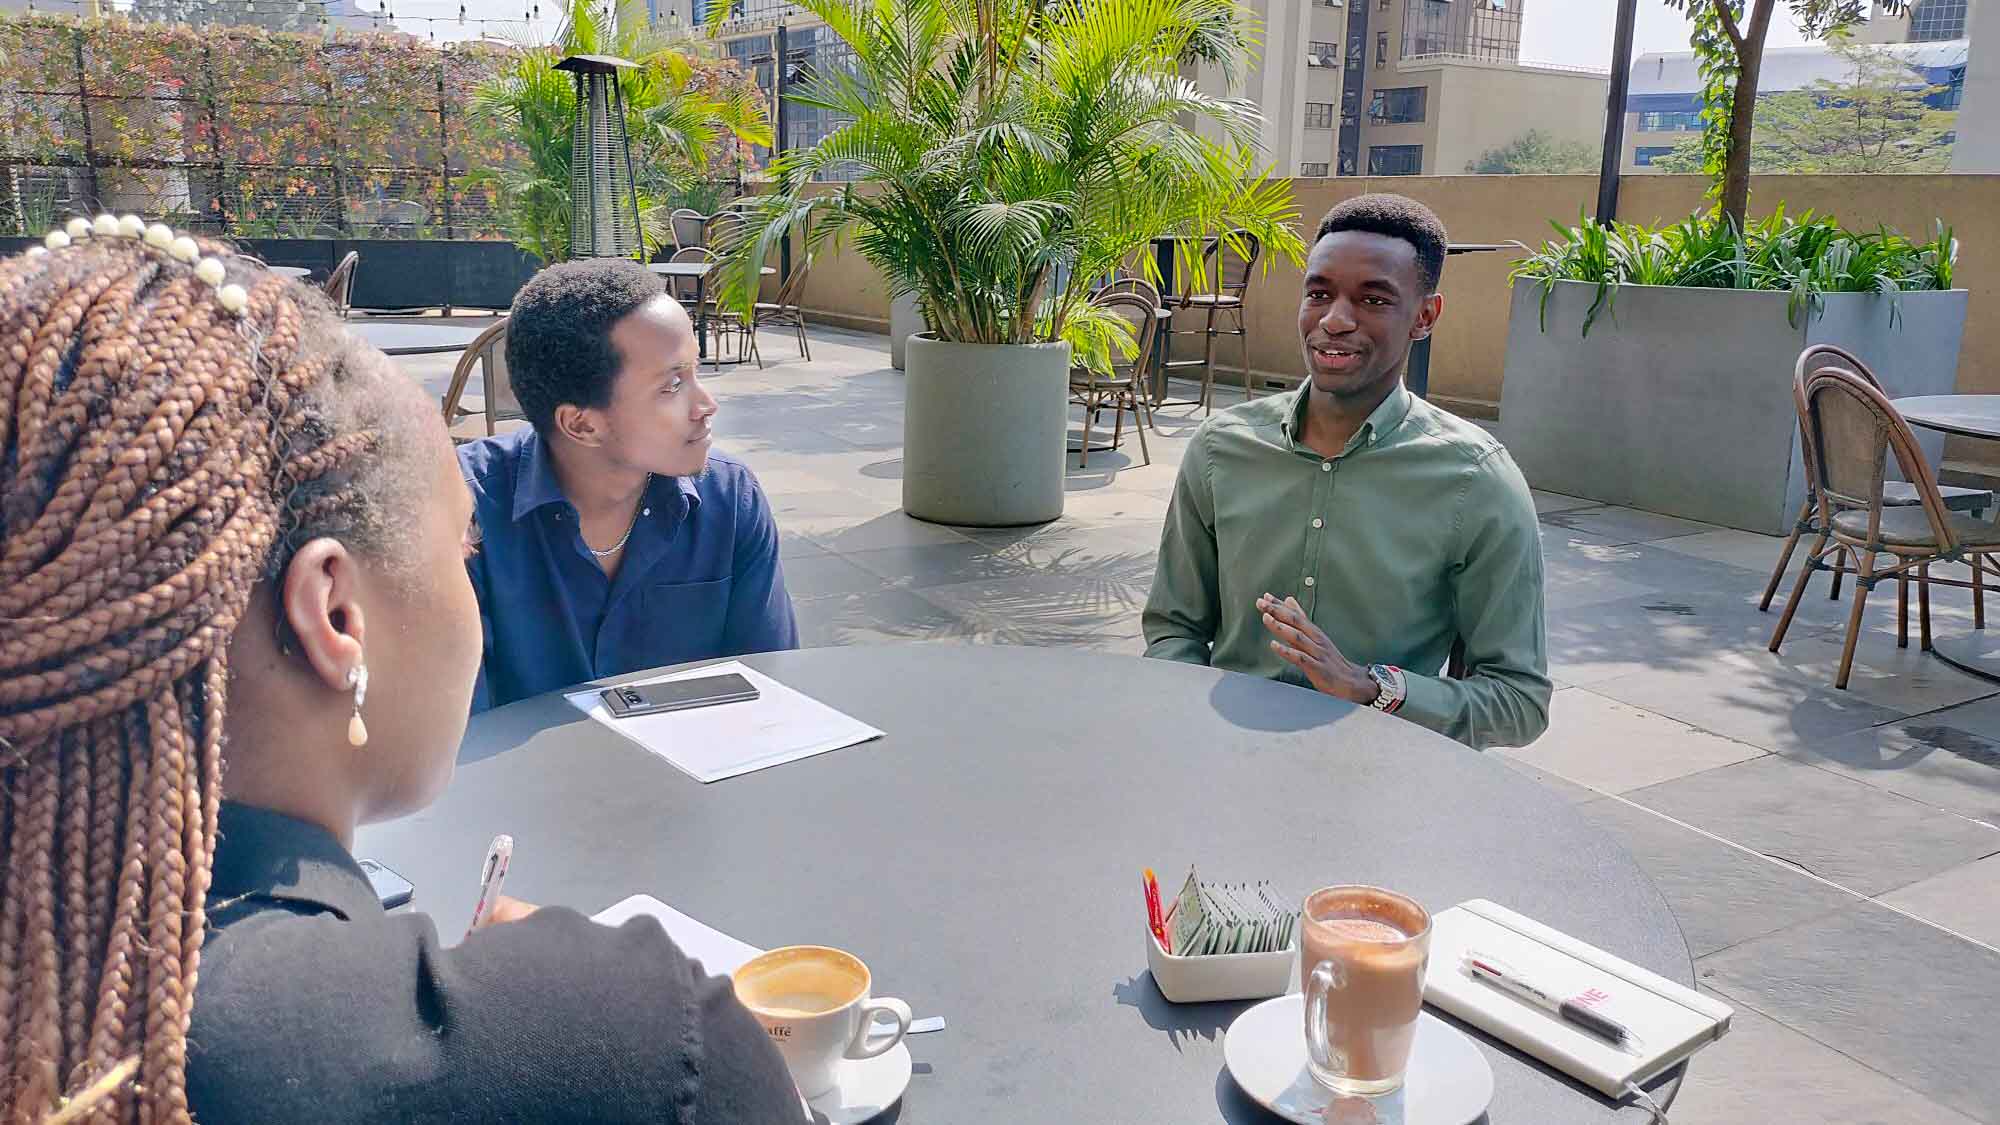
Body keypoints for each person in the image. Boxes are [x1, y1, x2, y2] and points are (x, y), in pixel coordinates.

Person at [0, 227, 802, 1122]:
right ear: (335, 612)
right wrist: (559, 994)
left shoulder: (66, 1001)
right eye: (461, 549)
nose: (704, 405)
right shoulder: (645, 1045)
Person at [1142, 194, 1550, 749]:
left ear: (1425, 317)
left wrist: (1369, 688)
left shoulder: (1476, 481)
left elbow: (1518, 702)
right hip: (1223, 763)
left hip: (1381, 779)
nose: (1334, 320)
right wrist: (1188, 725)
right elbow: (1174, 630)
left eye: (1373, 299)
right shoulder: (1221, 449)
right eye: (1319, 294)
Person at [459, 258, 798, 713]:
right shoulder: (463, 512)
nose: (707, 404)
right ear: (581, 425)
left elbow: (770, 689)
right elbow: (455, 738)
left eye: (696, 371)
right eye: (673, 384)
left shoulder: (729, 500)